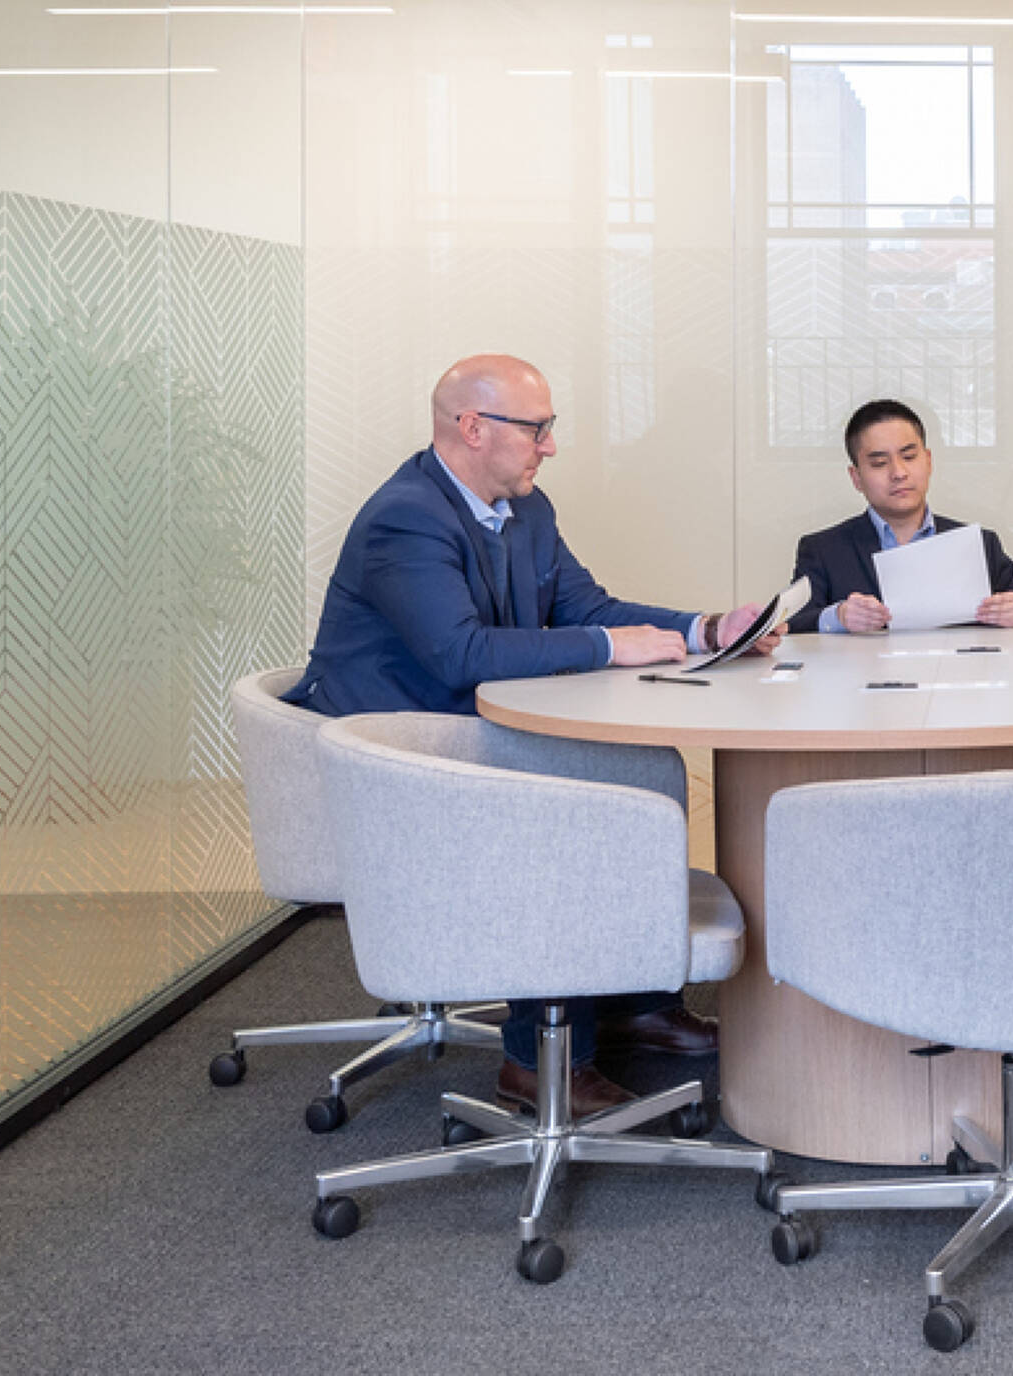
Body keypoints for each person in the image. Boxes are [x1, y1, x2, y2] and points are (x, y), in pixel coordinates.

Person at [291, 353, 782, 1115]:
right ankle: (539, 1061)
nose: (550, 446)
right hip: (399, 750)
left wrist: (706, 629)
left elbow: (586, 607)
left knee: (635, 772)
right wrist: (611, 648)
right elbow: (458, 654)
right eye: (537, 428)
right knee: (572, 806)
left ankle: (631, 1003)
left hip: (465, 728)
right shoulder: (406, 516)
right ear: (472, 427)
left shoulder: (526, 510)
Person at [790, 398, 1013, 633]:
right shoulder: (822, 550)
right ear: (856, 477)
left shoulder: (978, 543)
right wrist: (837, 617)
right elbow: (790, 625)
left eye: (909, 456)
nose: (899, 473)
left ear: (928, 461)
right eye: (879, 463)